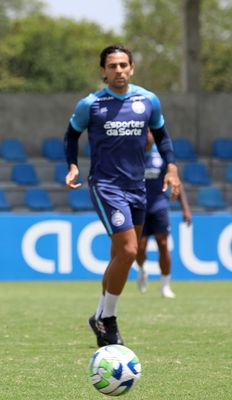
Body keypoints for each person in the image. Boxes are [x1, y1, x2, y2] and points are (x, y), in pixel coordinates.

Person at [63, 44, 181, 347]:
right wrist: (73, 165)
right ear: (103, 71)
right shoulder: (90, 104)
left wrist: (171, 167)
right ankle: (109, 319)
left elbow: (164, 136)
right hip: (105, 186)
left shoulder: (148, 100)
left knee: (120, 256)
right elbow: (71, 135)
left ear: (132, 68)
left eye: (123, 65)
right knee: (129, 250)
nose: (118, 71)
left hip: (137, 187)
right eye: (112, 66)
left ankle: (99, 316)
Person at [136, 130, 192, 298]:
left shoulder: (161, 157)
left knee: (163, 243)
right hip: (140, 207)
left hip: (159, 206)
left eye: (150, 132)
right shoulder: (134, 155)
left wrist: (185, 209)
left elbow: (176, 183)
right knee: (139, 248)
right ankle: (142, 268)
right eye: (144, 132)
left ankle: (165, 286)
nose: (147, 135)